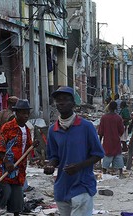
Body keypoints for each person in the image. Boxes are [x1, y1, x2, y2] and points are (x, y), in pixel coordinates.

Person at [43, 86, 105, 216]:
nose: (61, 102)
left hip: (82, 184)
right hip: (62, 186)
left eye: (65, 99)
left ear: (73, 103)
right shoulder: (53, 130)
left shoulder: (86, 127)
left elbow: (98, 154)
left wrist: (79, 166)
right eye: (58, 100)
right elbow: (54, 156)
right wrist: (50, 165)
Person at [0, 99, 39, 216]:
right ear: (16, 113)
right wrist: (7, 162)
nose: (26, 116)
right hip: (5, 168)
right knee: (5, 192)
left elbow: (27, 147)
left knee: (18, 198)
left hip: (19, 169)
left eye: (27, 113)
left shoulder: (27, 130)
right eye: (23, 113)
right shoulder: (7, 127)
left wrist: (33, 145)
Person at [98, 101, 124, 177]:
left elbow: (100, 132)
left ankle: (104, 173)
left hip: (107, 142)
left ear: (109, 107)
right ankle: (121, 173)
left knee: (106, 158)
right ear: (116, 108)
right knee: (118, 157)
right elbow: (121, 130)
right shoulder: (118, 118)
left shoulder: (104, 118)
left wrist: (99, 142)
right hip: (116, 141)